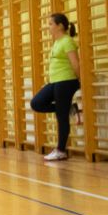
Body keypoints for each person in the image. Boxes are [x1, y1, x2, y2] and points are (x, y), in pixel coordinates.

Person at [30, 13, 80, 161]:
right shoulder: (57, 42)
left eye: (51, 24)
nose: (49, 27)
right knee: (36, 103)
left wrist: (81, 82)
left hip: (66, 81)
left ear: (60, 26)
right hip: (55, 82)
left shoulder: (67, 41)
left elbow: (76, 63)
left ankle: (61, 150)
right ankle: (68, 108)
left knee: (61, 117)